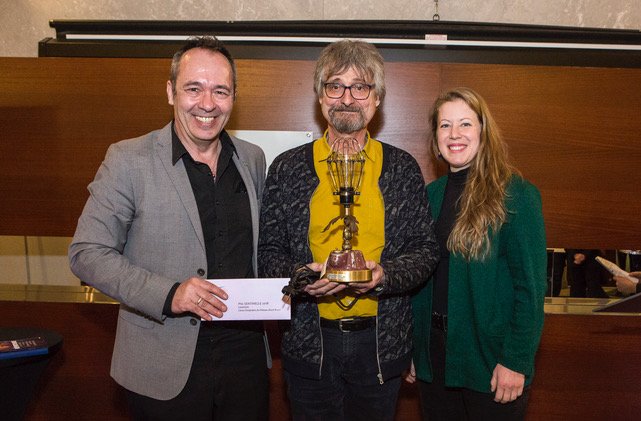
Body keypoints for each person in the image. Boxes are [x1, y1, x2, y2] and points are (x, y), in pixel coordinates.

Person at [69, 36, 269, 420]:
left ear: (234, 97)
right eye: (193, 88)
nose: (207, 104)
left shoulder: (252, 159)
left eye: (220, 91)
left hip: (245, 359)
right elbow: (86, 253)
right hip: (161, 360)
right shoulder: (128, 160)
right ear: (170, 92)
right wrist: (170, 294)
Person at [258, 39, 438, 421]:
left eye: (361, 87)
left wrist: (383, 275)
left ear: (377, 99)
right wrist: (302, 278)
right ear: (320, 97)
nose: (347, 98)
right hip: (310, 344)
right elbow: (268, 252)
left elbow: (425, 250)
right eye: (334, 85)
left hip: (380, 345)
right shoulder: (287, 169)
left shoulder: (402, 169)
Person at [407, 87, 547, 420]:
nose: (454, 134)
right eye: (445, 126)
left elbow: (531, 290)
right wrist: (412, 348)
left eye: (465, 124)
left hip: (491, 361)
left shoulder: (516, 195)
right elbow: (419, 281)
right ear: (435, 137)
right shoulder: (430, 195)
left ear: (484, 131)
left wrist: (516, 360)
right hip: (434, 358)